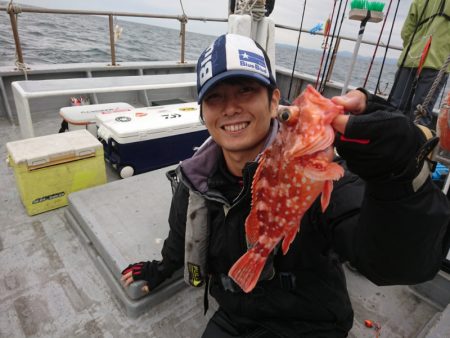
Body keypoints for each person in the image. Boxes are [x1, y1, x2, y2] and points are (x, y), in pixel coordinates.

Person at [121, 33, 450, 337]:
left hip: (311, 323)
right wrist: (160, 269)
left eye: (246, 90)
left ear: (274, 99)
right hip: (235, 315)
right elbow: (183, 237)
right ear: (203, 112)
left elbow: (396, 265)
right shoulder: (194, 179)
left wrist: (397, 178)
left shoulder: (321, 173)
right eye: (215, 97)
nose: (231, 107)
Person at [389, 0, 450, 128]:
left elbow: (406, 32)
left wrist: (413, 48)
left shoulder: (419, 1)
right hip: (438, 63)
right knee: (420, 114)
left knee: (395, 107)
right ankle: (414, 146)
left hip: (410, 58)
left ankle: (389, 141)